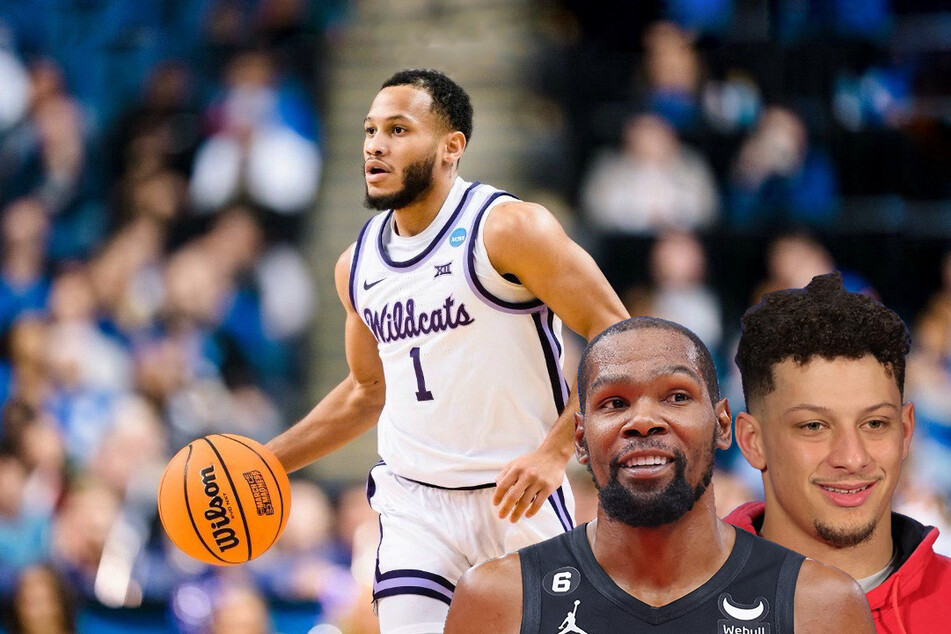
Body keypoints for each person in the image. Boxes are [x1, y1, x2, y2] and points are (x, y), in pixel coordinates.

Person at [265, 68, 628, 633]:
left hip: (517, 497)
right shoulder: (356, 266)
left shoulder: (508, 228)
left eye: (398, 130)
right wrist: (267, 464)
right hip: (416, 507)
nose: (376, 146)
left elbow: (622, 339)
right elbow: (367, 390)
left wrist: (557, 451)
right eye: (369, 131)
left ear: (451, 147)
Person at [445, 317, 874, 632]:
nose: (644, 421)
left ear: (723, 424)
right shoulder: (497, 600)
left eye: (676, 396)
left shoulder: (820, 606)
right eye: (614, 403)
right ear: (579, 439)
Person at [726, 271, 951, 631]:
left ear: (906, 431)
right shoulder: (677, 606)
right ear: (752, 441)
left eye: (875, 424)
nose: (852, 457)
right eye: (814, 426)